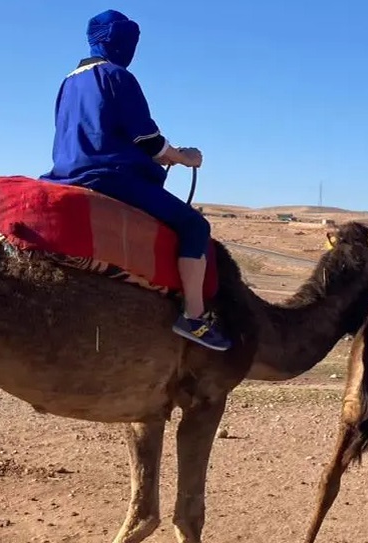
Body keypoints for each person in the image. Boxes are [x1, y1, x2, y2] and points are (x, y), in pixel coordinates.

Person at [40, 10, 230, 351]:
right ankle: (194, 317)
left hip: (66, 175)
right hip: (109, 177)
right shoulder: (116, 76)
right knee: (195, 227)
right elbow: (148, 141)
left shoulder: (68, 82)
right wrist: (183, 157)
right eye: (130, 42)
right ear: (117, 41)